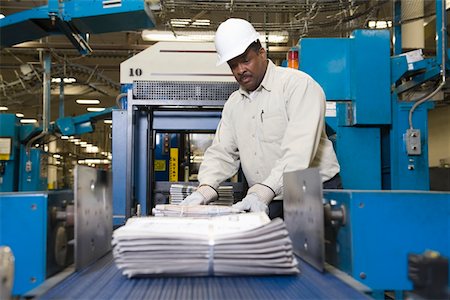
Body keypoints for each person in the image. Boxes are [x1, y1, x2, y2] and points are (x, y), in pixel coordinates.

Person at [180, 18, 341, 219]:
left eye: (245, 60)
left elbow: (298, 152)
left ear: (262, 53)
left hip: (312, 194)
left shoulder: (298, 87)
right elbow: (222, 152)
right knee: (267, 249)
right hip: (264, 198)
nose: (240, 70)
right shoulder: (234, 104)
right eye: (233, 65)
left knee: (309, 251)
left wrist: (262, 191)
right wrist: (204, 190)